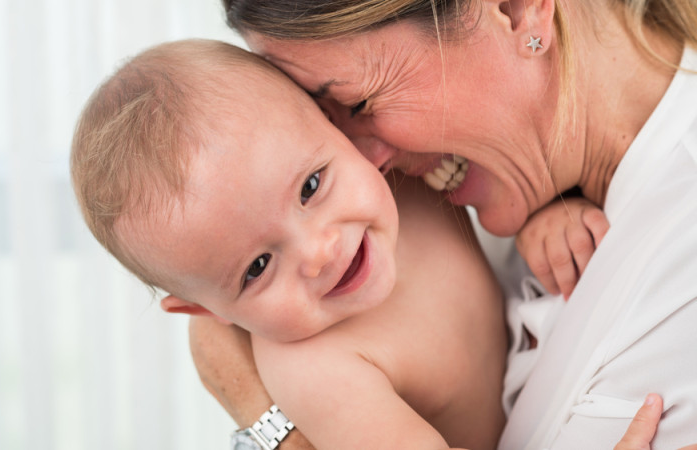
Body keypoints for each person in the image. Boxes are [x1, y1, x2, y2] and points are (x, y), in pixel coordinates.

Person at [189, 0, 697, 448]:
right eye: (324, 122)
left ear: (517, 10)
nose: (362, 164)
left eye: (360, 104)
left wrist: (266, 418)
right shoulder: (523, 196)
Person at [71, 39, 511, 449]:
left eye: (310, 187)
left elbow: (518, 175)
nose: (317, 254)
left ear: (335, 123)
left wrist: (547, 223)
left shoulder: (404, 177)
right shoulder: (315, 371)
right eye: (258, 267)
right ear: (206, 310)